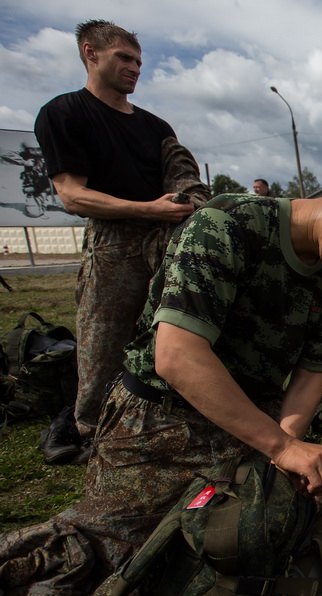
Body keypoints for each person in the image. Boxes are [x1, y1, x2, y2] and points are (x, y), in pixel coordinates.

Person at [0, 170, 322, 596]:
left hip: (243, 429)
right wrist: (278, 445)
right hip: (159, 423)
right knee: (105, 564)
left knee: (225, 559)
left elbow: (311, 372)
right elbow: (177, 357)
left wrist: (282, 446)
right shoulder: (226, 226)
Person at [34, 19, 208, 462]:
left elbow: (180, 172)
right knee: (102, 344)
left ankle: (171, 415)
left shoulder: (154, 126)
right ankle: (90, 432)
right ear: (90, 53)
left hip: (166, 236)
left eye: (138, 61)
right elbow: (73, 195)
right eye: (123, 58)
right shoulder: (65, 112)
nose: (134, 68)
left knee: (173, 333)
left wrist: (190, 200)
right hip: (113, 242)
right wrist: (150, 208)